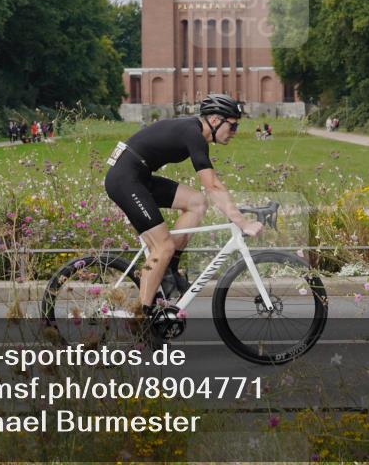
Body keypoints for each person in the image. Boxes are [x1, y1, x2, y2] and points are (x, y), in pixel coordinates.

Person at [104, 94, 263, 320]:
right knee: (163, 247)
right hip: (125, 180)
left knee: (196, 202)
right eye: (234, 125)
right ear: (216, 121)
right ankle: (143, 318)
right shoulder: (193, 134)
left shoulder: (192, 131)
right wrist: (242, 222)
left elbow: (207, 191)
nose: (235, 132)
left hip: (138, 176)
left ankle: (170, 270)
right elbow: (213, 185)